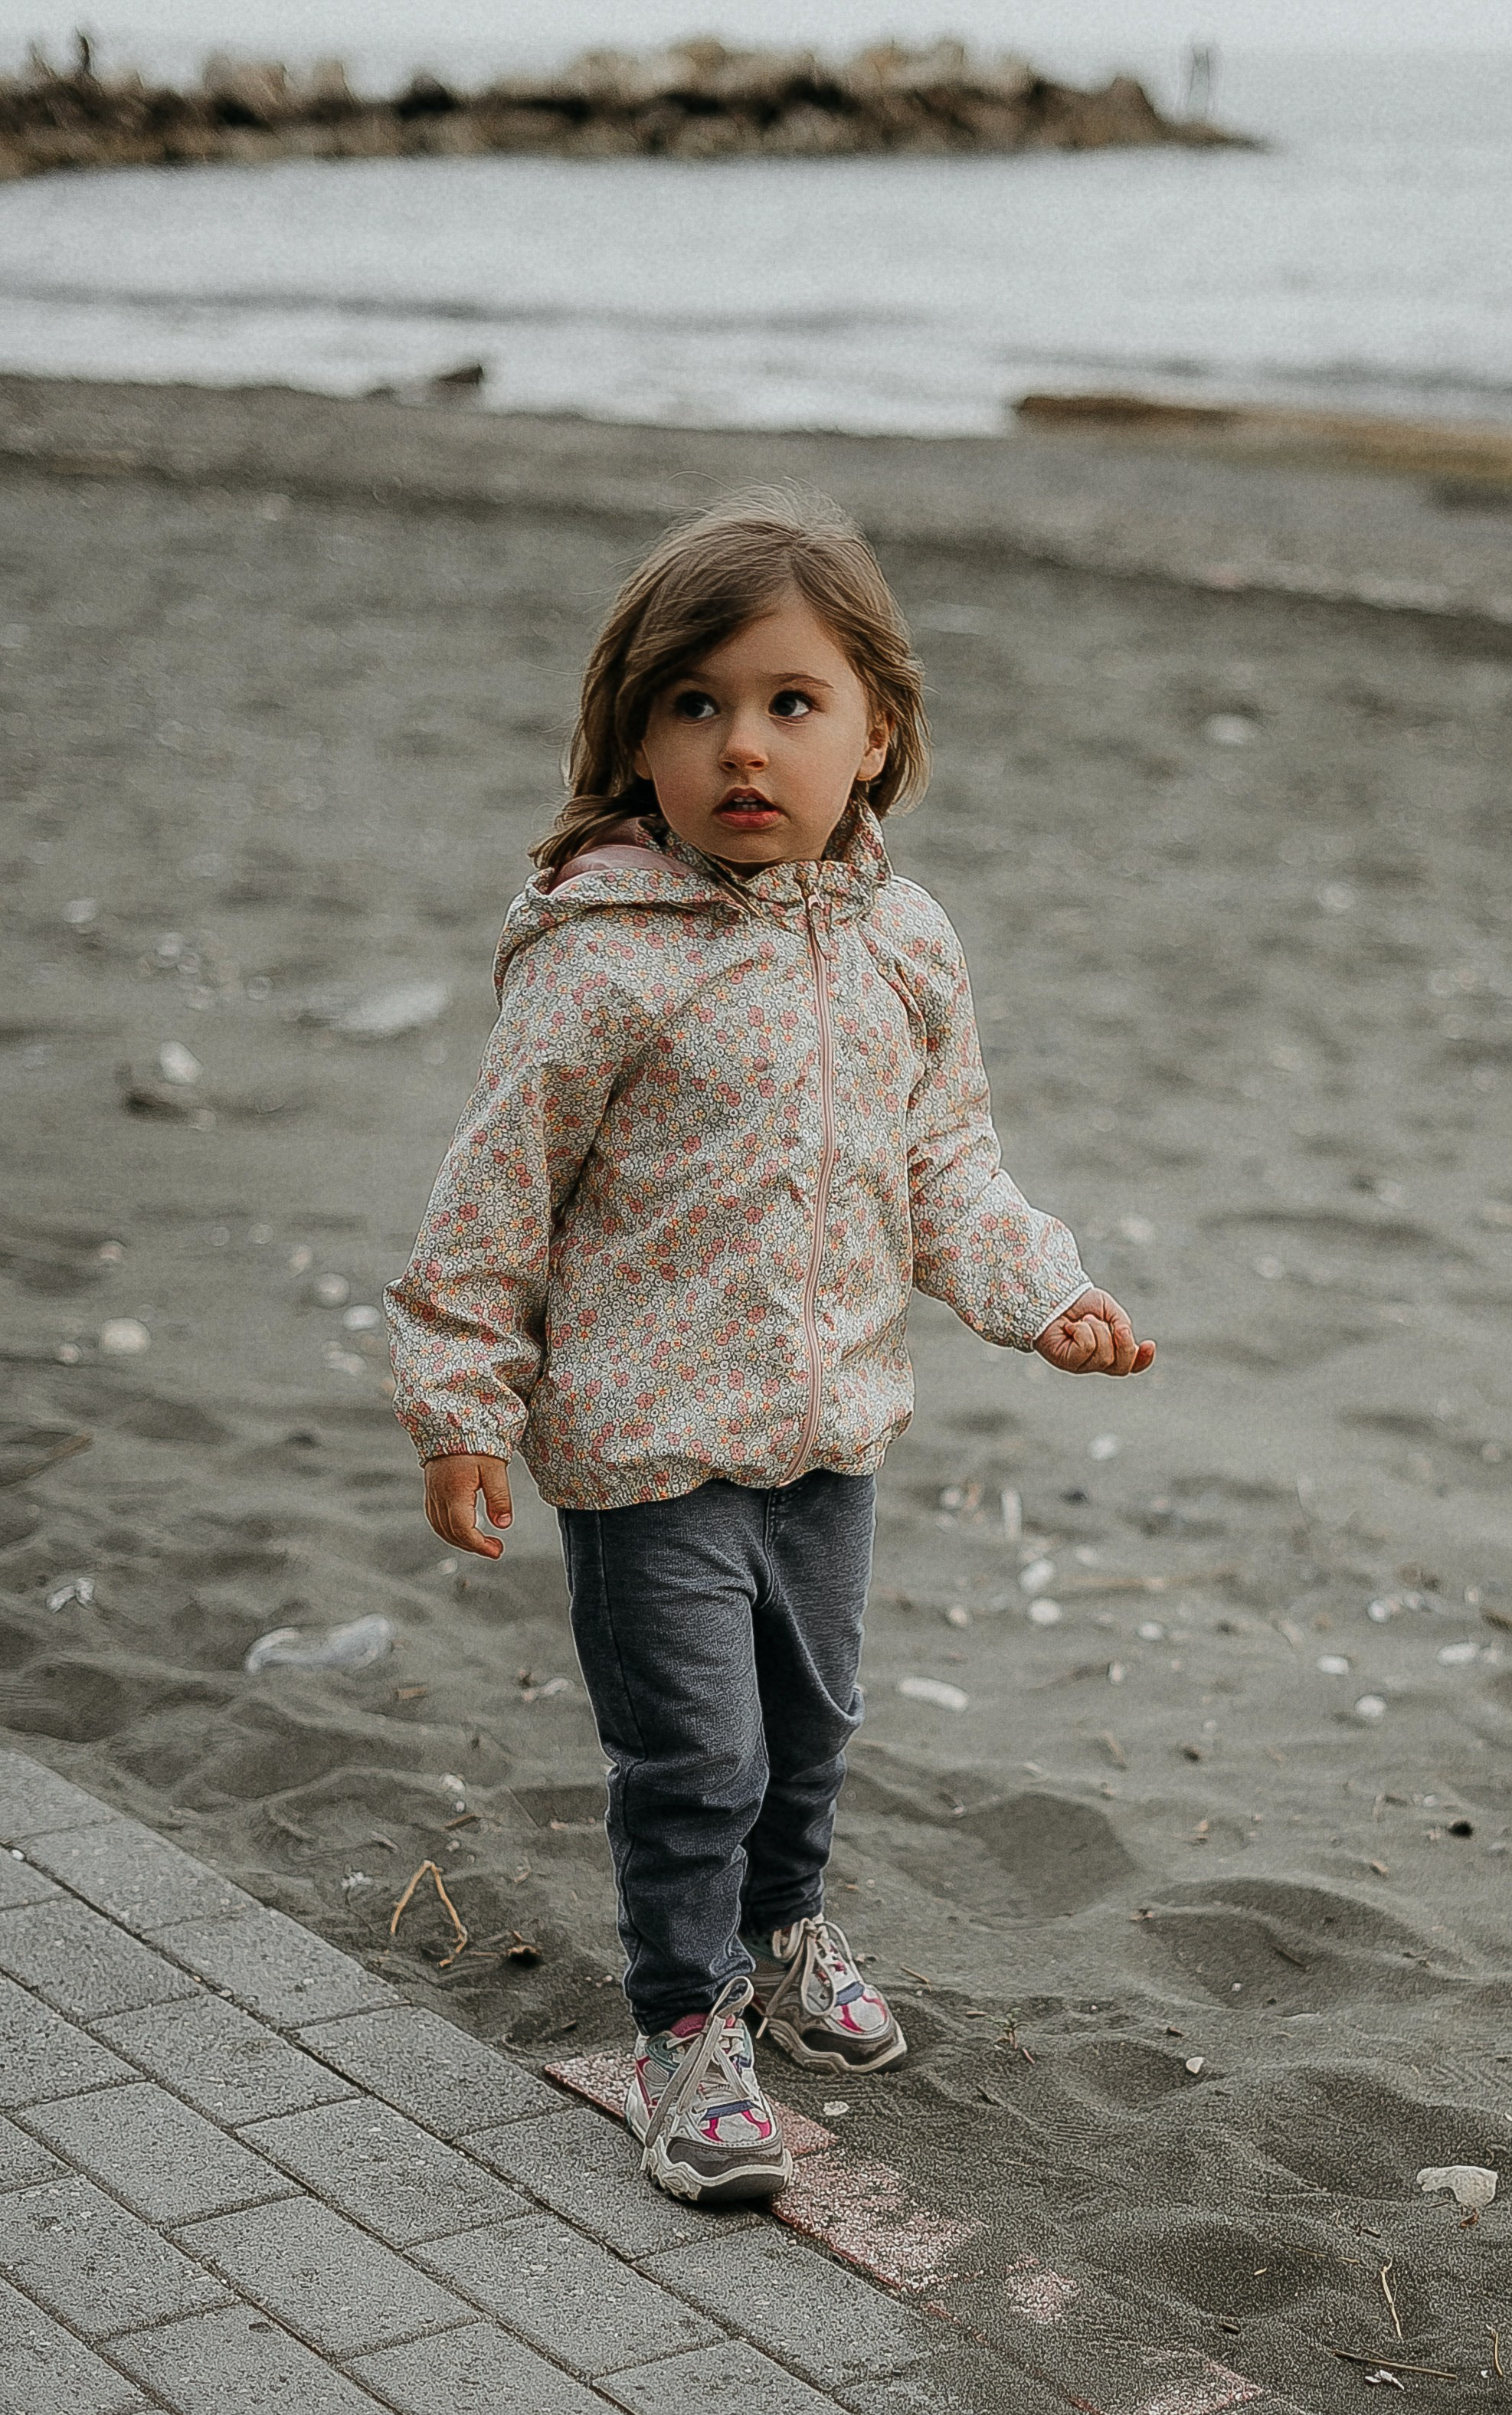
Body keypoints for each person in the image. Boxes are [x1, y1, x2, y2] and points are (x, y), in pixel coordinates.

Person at [387, 489, 1154, 2207]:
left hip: (828, 1436)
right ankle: (683, 2021)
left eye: (790, 702)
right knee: (696, 1758)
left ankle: (789, 1928)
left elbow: (943, 1160)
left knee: (808, 1735)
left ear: (875, 729)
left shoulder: (905, 943)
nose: (744, 743)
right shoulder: (599, 967)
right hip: (647, 1449)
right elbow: (490, 1205)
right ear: (633, 735)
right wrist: (461, 1406)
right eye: (695, 703)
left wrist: (1047, 1293)